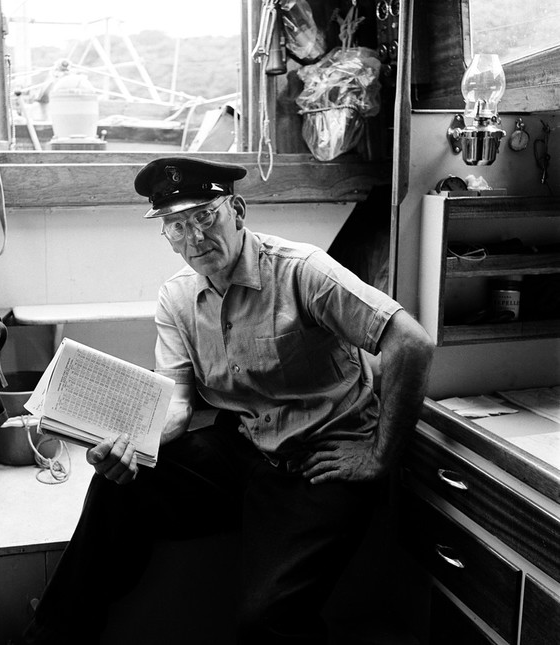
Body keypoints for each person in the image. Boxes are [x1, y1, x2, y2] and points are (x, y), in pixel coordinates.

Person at [23, 157, 434, 645]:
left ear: (236, 210)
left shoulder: (301, 272)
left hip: (318, 459)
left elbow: (411, 342)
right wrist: (128, 440)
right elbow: (175, 404)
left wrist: (379, 455)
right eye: (177, 226)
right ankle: (51, 638)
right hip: (243, 447)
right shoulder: (176, 300)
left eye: (205, 216)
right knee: (119, 482)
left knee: (267, 620)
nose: (195, 238)